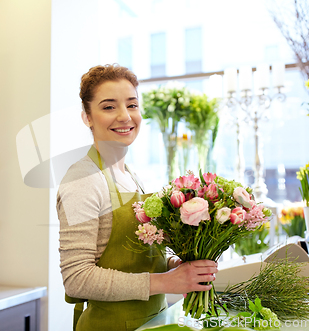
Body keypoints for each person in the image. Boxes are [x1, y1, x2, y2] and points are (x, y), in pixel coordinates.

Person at [57, 64, 218, 331]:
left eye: (132, 105)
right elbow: (77, 279)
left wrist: (173, 265)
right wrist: (166, 282)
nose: (125, 116)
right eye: (109, 107)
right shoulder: (83, 180)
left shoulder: (131, 176)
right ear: (87, 116)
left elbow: (137, 256)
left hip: (153, 321)